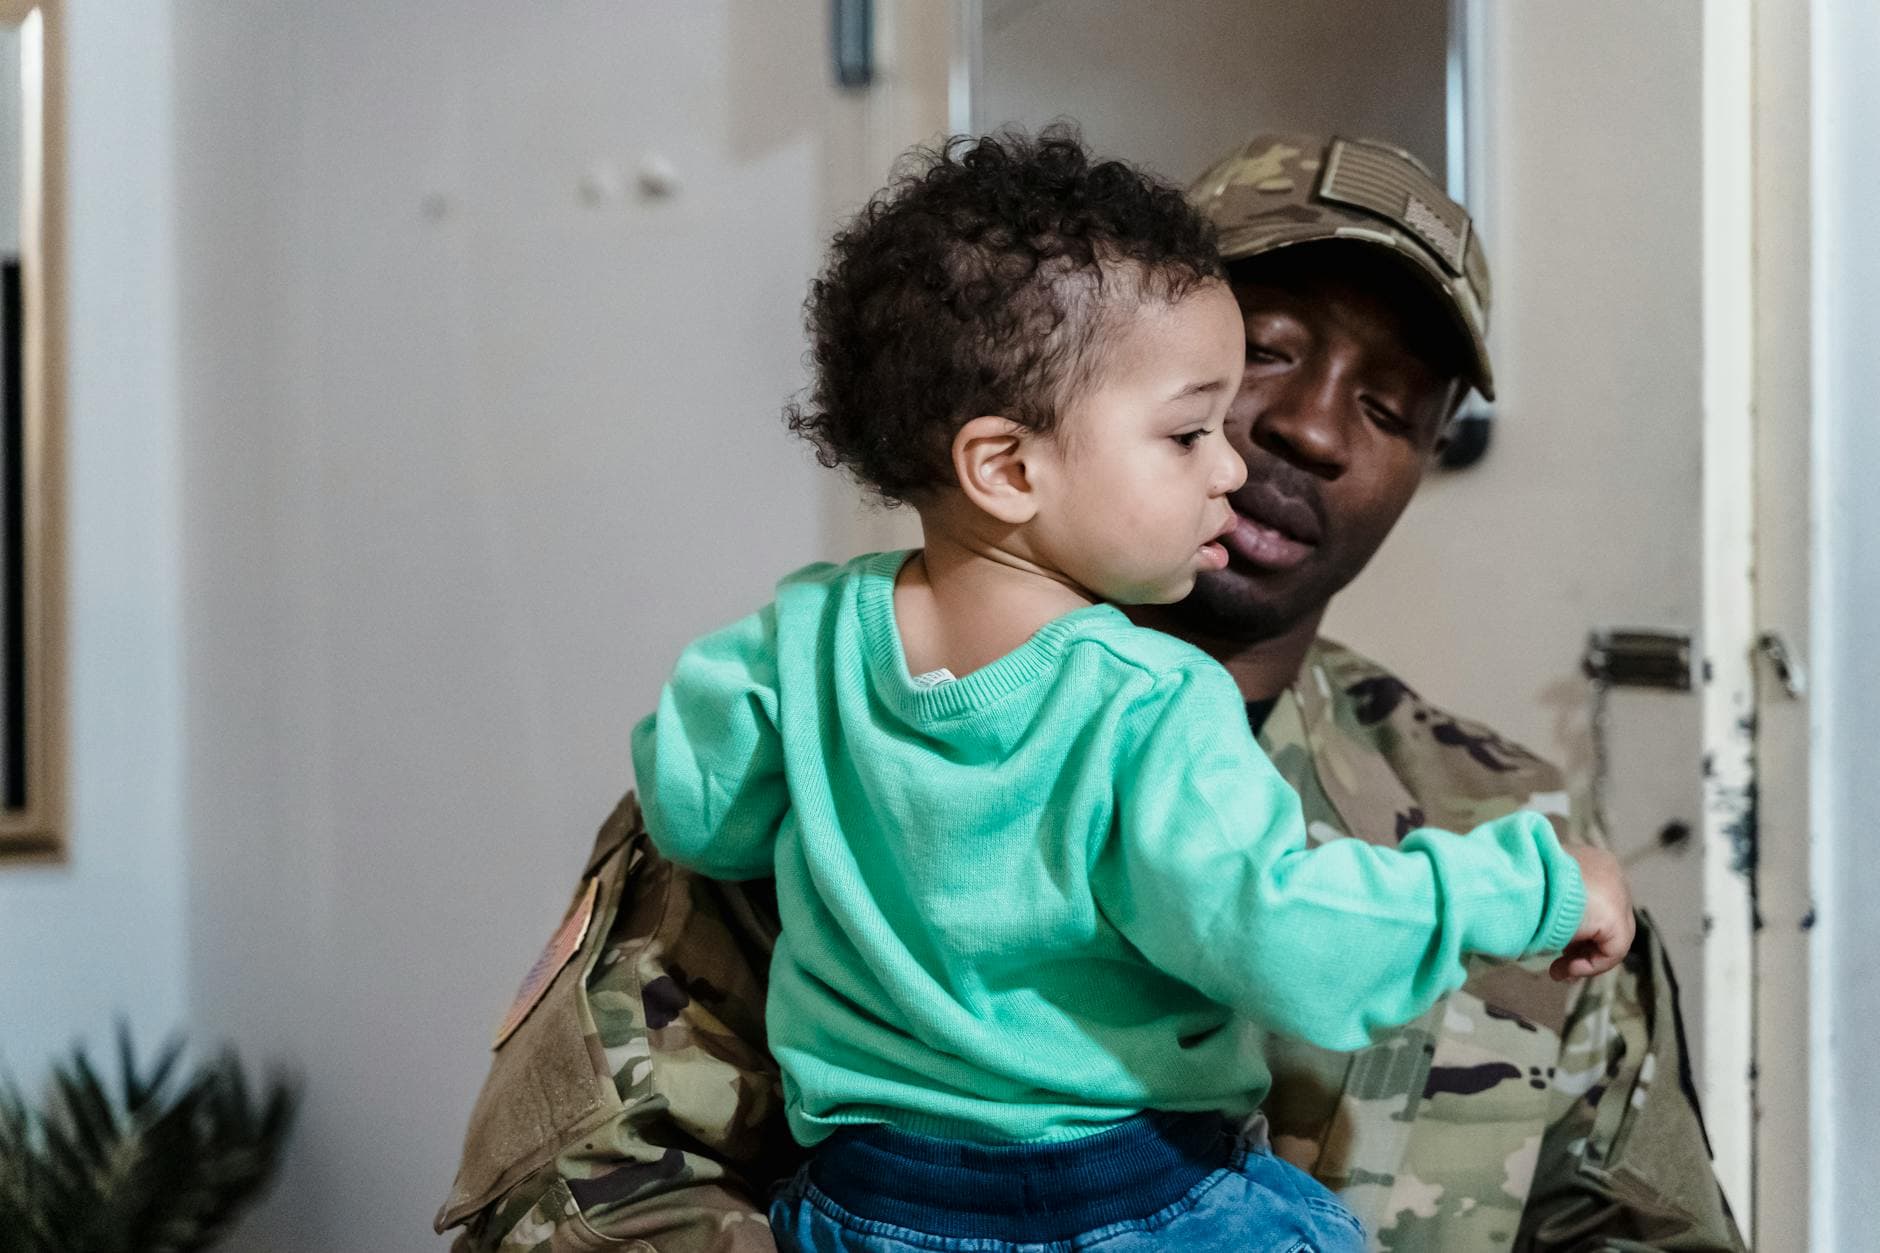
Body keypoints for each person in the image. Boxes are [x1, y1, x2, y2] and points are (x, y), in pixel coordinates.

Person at [435, 133, 1748, 1253]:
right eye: (1260, 360)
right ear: (1028, 400)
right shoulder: (820, 762)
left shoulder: (1497, 802)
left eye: (1396, 406)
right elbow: (567, 1198)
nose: (1310, 429)